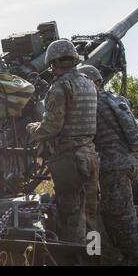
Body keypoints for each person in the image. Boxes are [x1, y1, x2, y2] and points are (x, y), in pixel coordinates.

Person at [26, 40, 99, 244]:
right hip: (90, 154)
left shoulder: (60, 87)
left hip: (69, 159)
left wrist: (33, 129)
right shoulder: (89, 83)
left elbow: (52, 127)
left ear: (53, 62)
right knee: (90, 213)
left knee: (70, 214)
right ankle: (93, 256)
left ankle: (72, 257)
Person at [80, 64, 138, 265]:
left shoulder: (93, 103)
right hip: (129, 161)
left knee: (122, 217)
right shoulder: (113, 99)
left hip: (114, 166)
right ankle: (119, 257)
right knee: (111, 212)